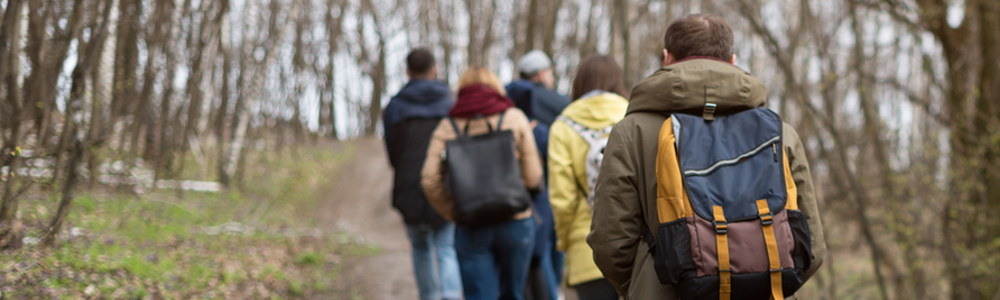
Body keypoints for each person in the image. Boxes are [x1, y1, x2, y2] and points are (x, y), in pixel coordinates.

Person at [587, 14, 827, 299]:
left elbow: (611, 241)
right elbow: (812, 243)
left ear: (667, 58)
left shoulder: (631, 132)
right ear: (733, 61)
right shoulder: (780, 132)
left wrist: (643, 284)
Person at [421, 67, 544, 300]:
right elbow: (533, 176)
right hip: (515, 222)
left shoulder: (448, 126)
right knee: (513, 294)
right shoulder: (514, 118)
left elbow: (429, 180)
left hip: (471, 224)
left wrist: (452, 211)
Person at [382, 48, 463, 300]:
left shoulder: (395, 106)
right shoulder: (450, 102)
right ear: (434, 70)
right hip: (445, 185)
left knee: (420, 247)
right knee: (446, 247)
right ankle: (451, 296)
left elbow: (392, 152)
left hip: (408, 185)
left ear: (407, 72)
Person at [547, 54, 629, 300]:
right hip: (635, 247)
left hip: (587, 250)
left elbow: (563, 199)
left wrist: (565, 241)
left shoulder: (563, 126)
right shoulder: (634, 114)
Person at [506, 51, 569, 300]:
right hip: (552, 186)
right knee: (551, 245)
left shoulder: (507, 100)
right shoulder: (560, 103)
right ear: (542, 73)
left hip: (513, 190)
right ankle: (554, 292)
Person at [506, 50, 571, 127]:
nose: (553, 79)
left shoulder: (506, 96)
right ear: (541, 74)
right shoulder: (561, 102)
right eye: (550, 72)